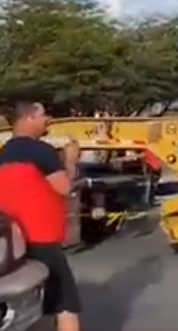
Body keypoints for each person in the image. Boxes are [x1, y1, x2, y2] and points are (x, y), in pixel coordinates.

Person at [0, 102, 82, 331]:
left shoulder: (5, 152)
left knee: (35, 301)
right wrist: (71, 160)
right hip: (42, 237)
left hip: (16, 240)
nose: (48, 119)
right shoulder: (41, 151)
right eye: (43, 114)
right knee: (66, 303)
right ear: (29, 118)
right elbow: (65, 187)